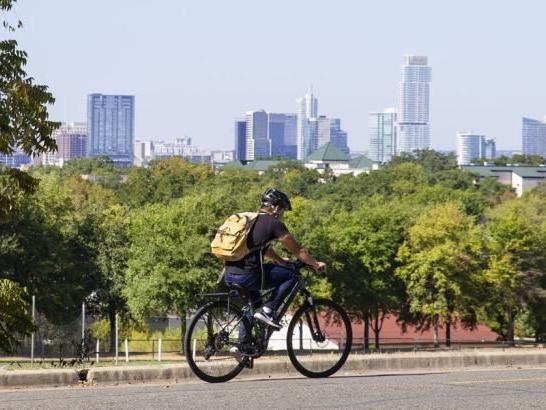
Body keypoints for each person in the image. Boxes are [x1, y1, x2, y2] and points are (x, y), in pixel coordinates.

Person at [224, 188, 327, 335]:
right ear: (277, 208)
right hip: (248, 276)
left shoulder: (251, 220)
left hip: (229, 274)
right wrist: (316, 264)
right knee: (292, 275)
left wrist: (279, 260)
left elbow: (261, 249)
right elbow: (298, 251)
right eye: (283, 210)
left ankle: (242, 347)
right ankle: (269, 310)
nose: (283, 215)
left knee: (252, 305)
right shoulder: (274, 223)